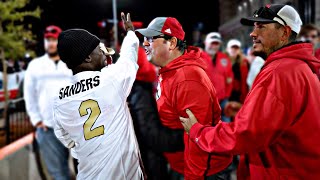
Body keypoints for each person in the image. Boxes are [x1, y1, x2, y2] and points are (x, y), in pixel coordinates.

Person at [180, 4, 320, 179]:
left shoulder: (279, 72)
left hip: (281, 171)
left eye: (261, 27)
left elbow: (246, 135)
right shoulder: (297, 66)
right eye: (254, 27)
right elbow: (285, 120)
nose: (253, 34)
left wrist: (198, 132)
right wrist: (245, 111)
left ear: (284, 32)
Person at [135, 17, 232, 179]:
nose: (145, 44)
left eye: (151, 39)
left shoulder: (187, 78)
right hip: (181, 165)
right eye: (145, 39)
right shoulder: (170, 71)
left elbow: (198, 138)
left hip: (202, 172)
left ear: (172, 43)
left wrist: (193, 177)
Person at [53, 13, 144, 179]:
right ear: (87, 57)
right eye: (98, 50)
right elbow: (129, 57)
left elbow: (66, 139)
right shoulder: (111, 79)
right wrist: (130, 32)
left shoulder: (59, 99)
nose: (104, 54)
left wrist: (90, 148)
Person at [24, 25, 73, 180]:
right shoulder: (35, 66)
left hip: (75, 127)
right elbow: (29, 94)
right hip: (49, 128)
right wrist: (36, 120)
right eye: (48, 40)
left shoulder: (72, 62)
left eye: (54, 40)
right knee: (59, 174)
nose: (51, 44)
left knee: (85, 170)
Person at [201, 32, 234, 123]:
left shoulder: (224, 58)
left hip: (223, 100)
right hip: (204, 102)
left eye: (216, 44)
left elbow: (229, 78)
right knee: (206, 128)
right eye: (212, 43)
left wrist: (226, 95)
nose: (214, 46)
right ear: (205, 43)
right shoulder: (197, 58)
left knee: (226, 126)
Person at [226, 39, 249, 104]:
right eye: (232, 47)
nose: (234, 50)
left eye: (236, 48)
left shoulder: (244, 63)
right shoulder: (221, 61)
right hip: (224, 95)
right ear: (227, 49)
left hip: (238, 96)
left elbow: (245, 81)